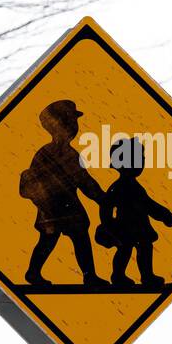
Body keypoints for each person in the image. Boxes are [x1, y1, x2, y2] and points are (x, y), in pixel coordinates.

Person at [19, 99, 109, 286]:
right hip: (55, 208)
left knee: (73, 238)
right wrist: (101, 198)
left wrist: (101, 198)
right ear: (57, 125)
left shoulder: (69, 154)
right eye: (70, 122)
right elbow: (84, 182)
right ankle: (35, 272)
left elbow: (85, 181)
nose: (74, 127)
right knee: (53, 240)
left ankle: (88, 275)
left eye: (74, 123)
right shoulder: (48, 153)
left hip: (64, 207)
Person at [94, 136, 172, 288]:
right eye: (139, 158)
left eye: (142, 158)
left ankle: (146, 276)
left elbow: (148, 205)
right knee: (126, 249)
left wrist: (164, 214)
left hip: (139, 226)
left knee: (143, 248)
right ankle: (119, 275)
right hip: (127, 227)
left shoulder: (131, 186)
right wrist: (108, 224)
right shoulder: (121, 187)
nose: (142, 162)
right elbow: (107, 205)